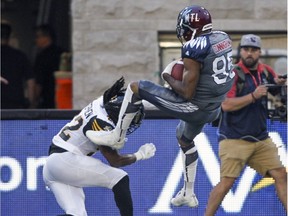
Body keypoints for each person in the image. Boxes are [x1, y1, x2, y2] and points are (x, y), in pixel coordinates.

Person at [85, 5, 235, 208]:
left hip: (194, 107)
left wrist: (168, 76)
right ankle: (188, 193)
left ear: (191, 26)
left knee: (136, 87)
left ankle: (117, 136)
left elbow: (186, 92)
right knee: (184, 138)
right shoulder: (221, 37)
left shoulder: (194, 46)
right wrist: (183, 67)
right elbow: (205, 68)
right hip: (213, 108)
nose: (182, 31)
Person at [43, 77, 156, 216]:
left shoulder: (103, 102)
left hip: (54, 165)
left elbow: (127, 100)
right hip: (65, 160)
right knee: (120, 178)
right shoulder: (101, 125)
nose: (131, 122)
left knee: (76, 214)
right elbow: (115, 161)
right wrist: (139, 155)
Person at [204, 34, 287, 215]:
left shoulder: (266, 71)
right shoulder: (232, 74)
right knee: (226, 183)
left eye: (254, 50)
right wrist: (254, 96)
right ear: (240, 51)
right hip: (235, 139)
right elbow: (225, 104)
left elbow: (276, 94)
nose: (249, 53)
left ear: (259, 53)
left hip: (260, 139)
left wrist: (278, 84)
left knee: (281, 174)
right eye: (246, 49)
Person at [1, 22, 36, 109]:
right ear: (9, 37)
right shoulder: (20, 56)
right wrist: (31, 104)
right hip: (16, 103)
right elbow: (30, 81)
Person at [34, 24, 64, 108]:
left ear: (46, 38)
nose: (35, 40)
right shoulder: (62, 53)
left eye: (37, 37)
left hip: (47, 98)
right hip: (62, 95)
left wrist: (34, 100)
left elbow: (39, 81)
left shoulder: (42, 57)